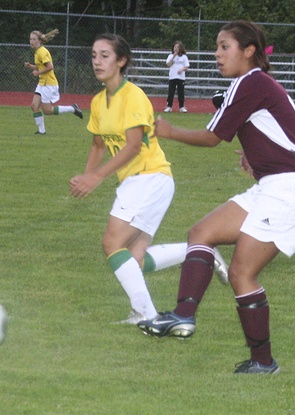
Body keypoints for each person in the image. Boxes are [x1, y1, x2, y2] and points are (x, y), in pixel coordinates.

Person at [137, 20, 295, 374]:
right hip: (275, 185)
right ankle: (182, 316)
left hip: (290, 190)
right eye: (217, 47)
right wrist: (254, 153)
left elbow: (212, 137)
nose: (217, 54)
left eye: (225, 47)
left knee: (241, 272)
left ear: (248, 51)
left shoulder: (249, 82)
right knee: (201, 233)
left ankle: (264, 363)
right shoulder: (261, 85)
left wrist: (168, 130)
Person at [69, 33, 228, 325]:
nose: (97, 61)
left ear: (121, 61)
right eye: (94, 55)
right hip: (137, 182)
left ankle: (146, 313)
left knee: (111, 244)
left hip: (150, 178)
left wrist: (98, 178)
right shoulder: (98, 101)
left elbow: (133, 145)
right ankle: (203, 252)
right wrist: (87, 175)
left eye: (105, 55)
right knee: (134, 259)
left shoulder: (133, 96)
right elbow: (98, 145)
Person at [24, 29, 83, 135]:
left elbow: (50, 67)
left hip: (49, 84)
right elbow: (41, 66)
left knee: (47, 111)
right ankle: (42, 131)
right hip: (42, 83)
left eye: (34, 39)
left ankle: (72, 108)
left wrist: (38, 72)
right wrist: (31, 66)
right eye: (30, 39)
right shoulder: (37, 52)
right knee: (34, 106)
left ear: (39, 41)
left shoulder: (42, 52)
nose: (31, 41)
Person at [164, 41, 190, 113]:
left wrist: (182, 69)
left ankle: (181, 107)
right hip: (172, 77)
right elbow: (168, 64)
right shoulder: (170, 56)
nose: (176, 49)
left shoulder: (184, 57)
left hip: (181, 77)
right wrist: (173, 57)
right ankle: (169, 106)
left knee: (181, 92)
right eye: (175, 47)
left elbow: (187, 66)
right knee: (171, 92)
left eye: (177, 47)